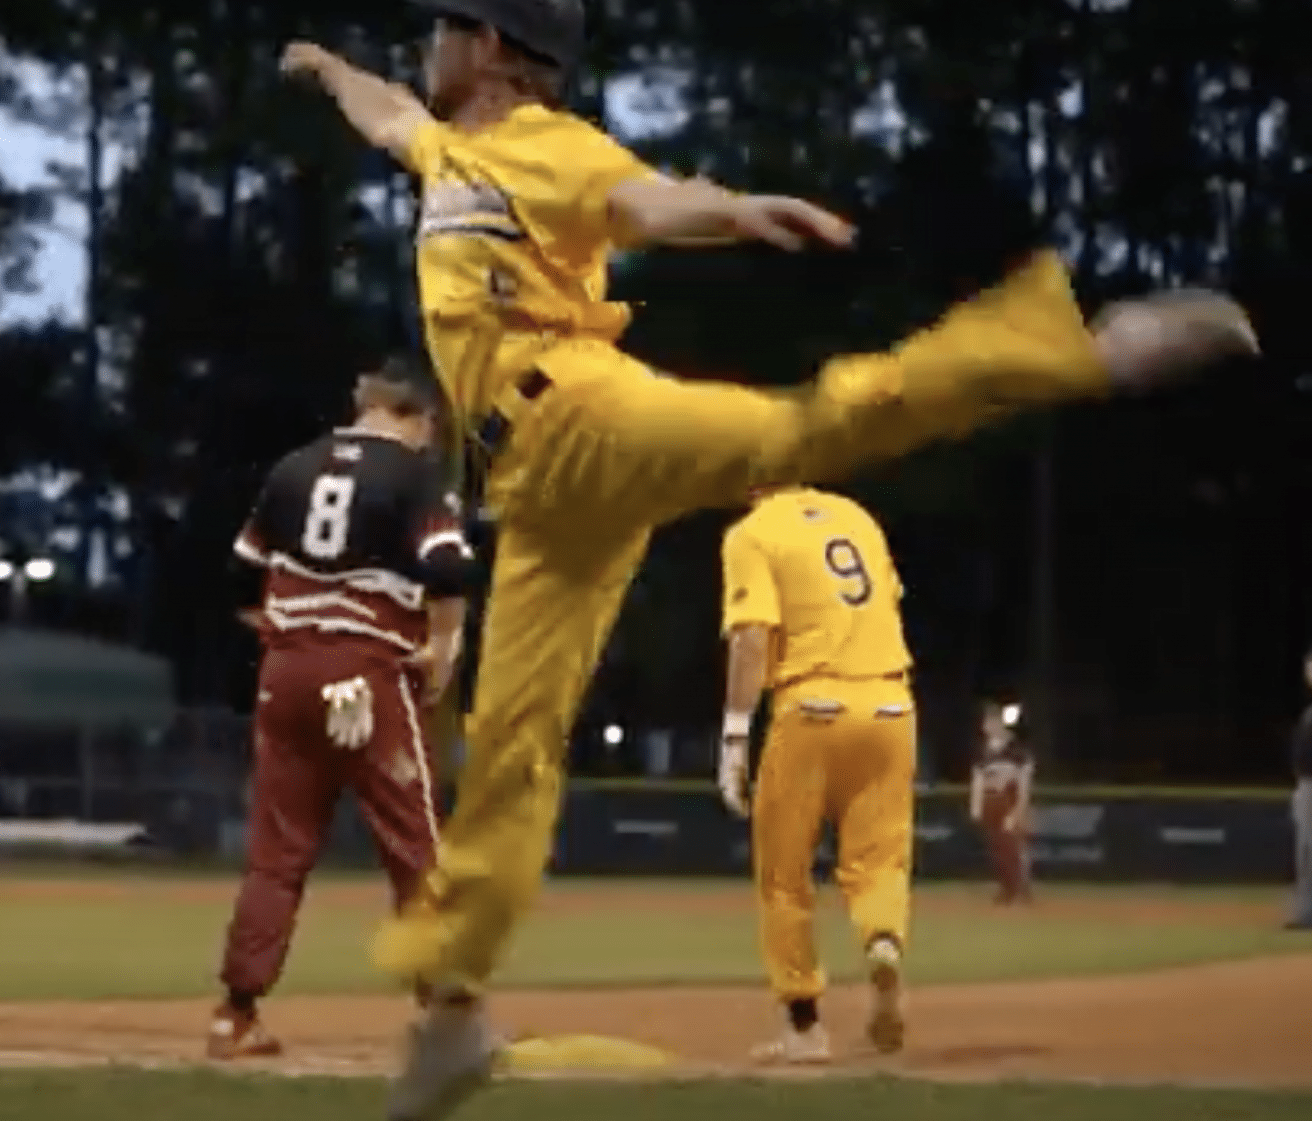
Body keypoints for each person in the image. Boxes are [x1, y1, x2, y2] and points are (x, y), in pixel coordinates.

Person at [277, 1, 1258, 1114]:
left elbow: (643, 199)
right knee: (510, 738)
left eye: (449, 23)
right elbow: (389, 112)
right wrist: (324, 68)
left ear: (494, 50)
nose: (429, 42)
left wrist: (731, 210)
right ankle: (450, 1010)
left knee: (806, 426)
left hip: (583, 414)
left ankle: (1071, 350)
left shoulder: (543, 145)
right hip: (536, 493)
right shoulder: (449, 152)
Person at [208, 360, 476, 1060]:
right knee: (414, 847)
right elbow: (448, 568)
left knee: (277, 851)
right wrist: (445, 648)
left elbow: (241, 576)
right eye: (430, 429)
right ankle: (443, 1014)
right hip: (365, 673)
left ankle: (235, 1013)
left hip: (286, 670)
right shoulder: (414, 475)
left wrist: (293, 637)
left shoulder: (293, 467)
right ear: (415, 417)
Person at [717, 486, 913, 1064]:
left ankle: (804, 1027)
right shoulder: (858, 515)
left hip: (811, 704)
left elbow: (753, 637)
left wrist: (733, 736)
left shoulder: (751, 532)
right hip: (891, 703)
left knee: (784, 873)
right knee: (878, 859)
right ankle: (881, 940)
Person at [970, 701, 1035, 906]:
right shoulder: (982, 752)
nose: (987, 726)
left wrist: (1018, 810)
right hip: (991, 802)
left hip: (1009, 800)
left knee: (1014, 848)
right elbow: (977, 780)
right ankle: (1006, 888)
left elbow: (1024, 782)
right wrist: (976, 806)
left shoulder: (1016, 750)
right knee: (997, 848)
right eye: (986, 722)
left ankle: (1021, 889)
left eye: (991, 721)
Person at [1288, 649, 1312, 930]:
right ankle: (1305, 912)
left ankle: (1306, 913)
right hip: (1304, 785)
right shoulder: (1308, 713)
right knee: (1305, 851)